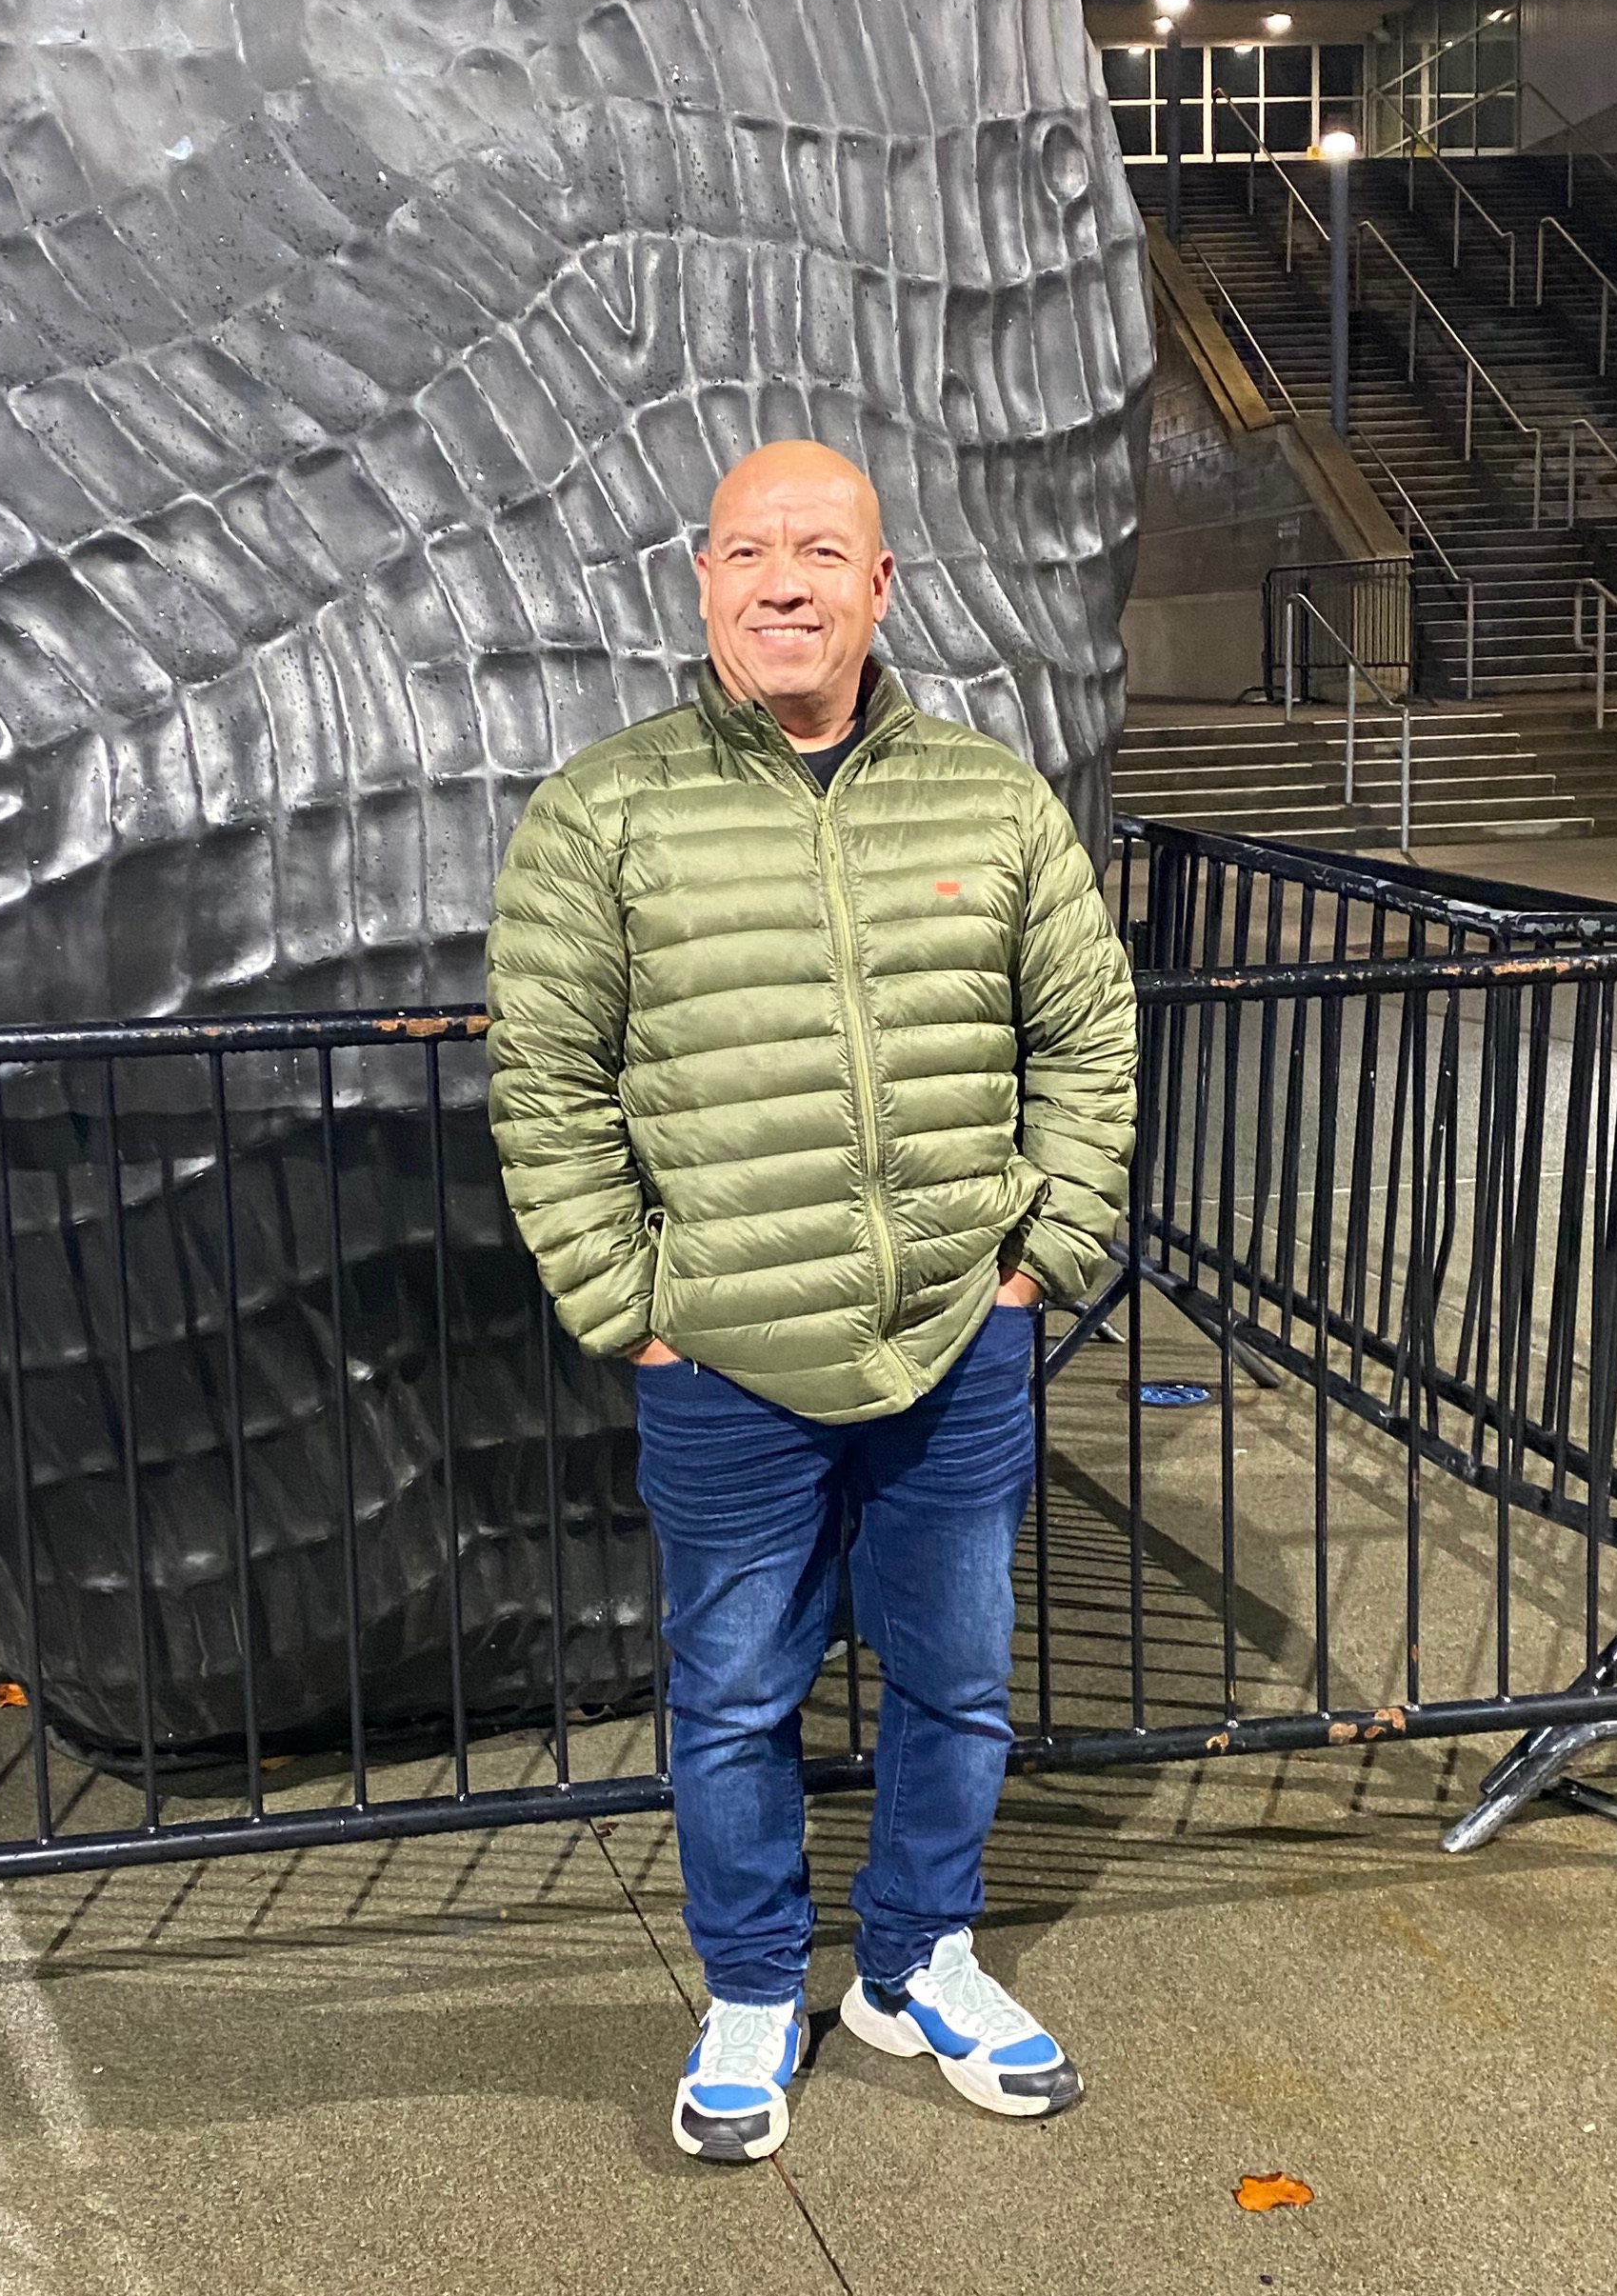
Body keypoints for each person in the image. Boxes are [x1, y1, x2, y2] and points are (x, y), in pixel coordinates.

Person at [485, 440, 1139, 2166]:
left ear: (880, 585)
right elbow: (546, 1084)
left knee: (960, 1684)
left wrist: (1038, 1261)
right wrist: (633, 1304)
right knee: (731, 1700)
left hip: (956, 1343)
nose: (785, 581)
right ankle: (756, 1987)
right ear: (703, 582)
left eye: (822, 551)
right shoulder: (604, 813)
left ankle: (917, 1961)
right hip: (723, 1360)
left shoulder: (993, 803)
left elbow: (1087, 1038)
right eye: (750, 551)